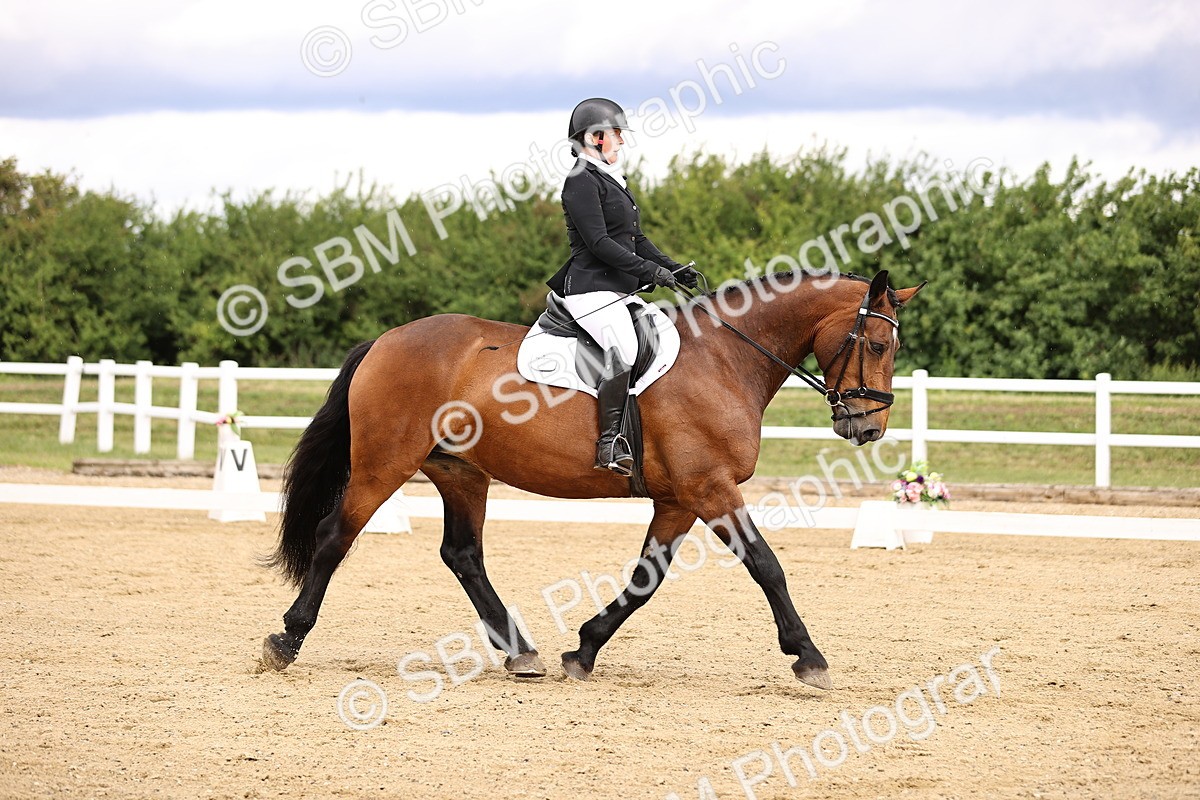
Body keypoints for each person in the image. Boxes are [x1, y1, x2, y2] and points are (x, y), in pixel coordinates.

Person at [546, 98, 699, 476]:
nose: (622, 141)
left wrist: (672, 268)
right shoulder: (580, 181)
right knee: (625, 347)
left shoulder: (611, 181)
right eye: (616, 134)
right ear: (594, 137)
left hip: (617, 290)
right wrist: (650, 272)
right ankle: (609, 442)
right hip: (590, 291)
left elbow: (635, 239)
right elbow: (600, 244)